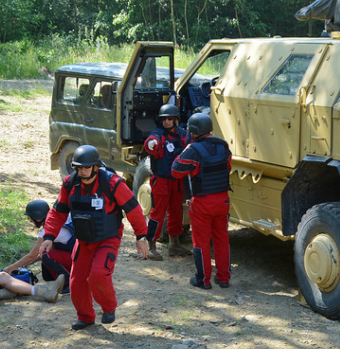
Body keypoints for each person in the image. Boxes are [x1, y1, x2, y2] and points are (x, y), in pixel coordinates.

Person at [37, 145, 150, 330]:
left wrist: (141, 236)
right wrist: (48, 236)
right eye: (79, 168)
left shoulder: (112, 183)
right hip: (83, 240)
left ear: (96, 167)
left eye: (86, 168)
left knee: (98, 274)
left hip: (108, 238)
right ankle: (86, 317)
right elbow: (57, 212)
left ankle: (108, 308)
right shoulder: (70, 184)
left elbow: (132, 208)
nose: (82, 171)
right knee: (76, 281)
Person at [172, 113, 232, 289]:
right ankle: (224, 278)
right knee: (222, 239)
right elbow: (228, 166)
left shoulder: (193, 150)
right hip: (223, 200)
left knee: (201, 242)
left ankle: (203, 280)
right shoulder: (223, 146)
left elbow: (176, 170)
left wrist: (185, 149)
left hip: (202, 202)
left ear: (194, 132)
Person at [142, 104, 192, 260]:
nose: (167, 122)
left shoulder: (182, 134)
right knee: (157, 214)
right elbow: (151, 142)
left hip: (177, 181)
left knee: (177, 212)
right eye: (164, 119)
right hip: (161, 181)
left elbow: (192, 140)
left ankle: (174, 244)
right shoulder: (158, 135)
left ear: (175, 120)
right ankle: (151, 246)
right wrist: (151, 144)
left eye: (170, 119)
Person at [3, 200, 74, 295]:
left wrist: (10, 268)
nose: (30, 221)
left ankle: (69, 283)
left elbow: (33, 254)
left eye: (30, 218)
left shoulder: (47, 230)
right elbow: (49, 249)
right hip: (81, 256)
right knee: (46, 257)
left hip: (78, 259)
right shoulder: (60, 219)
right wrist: (29, 263)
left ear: (38, 218)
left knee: (46, 255)